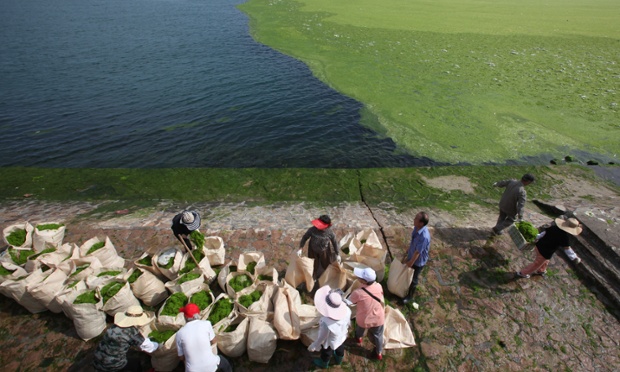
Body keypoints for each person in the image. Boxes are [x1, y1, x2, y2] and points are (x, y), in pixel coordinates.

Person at [92, 306, 159, 372]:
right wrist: (159, 344)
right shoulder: (132, 333)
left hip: (97, 359)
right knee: (135, 363)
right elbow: (149, 347)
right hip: (112, 365)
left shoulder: (114, 327)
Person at [516, 217, 583, 278]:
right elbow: (567, 249)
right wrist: (574, 257)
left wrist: (537, 237)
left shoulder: (553, 227)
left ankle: (541, 270)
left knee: (546, 261)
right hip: (545, 252)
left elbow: (543, 234)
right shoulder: (564, 238)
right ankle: (523, 273)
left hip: (539, 245)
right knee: (536, 264)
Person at [176, 303, 232, 372]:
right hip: (211, 366)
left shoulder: (179, 334)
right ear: (198, 314)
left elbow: (181, 357)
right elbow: (214, 341)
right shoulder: (206, 324)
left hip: (192, 370)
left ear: (185, 316)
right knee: (225, 363)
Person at [308, 285, 351, 368]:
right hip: (342, 336)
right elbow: (347, 322)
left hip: (330, 341)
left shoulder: (326, 323)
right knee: (340, 347)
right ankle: (339, 359)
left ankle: (324, 363)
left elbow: (322, 337)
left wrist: (314, 346)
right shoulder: (347, 310)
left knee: (326, 352)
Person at [347, 267, 385, 360]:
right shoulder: (378, 286)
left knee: (360, 329)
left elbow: (347, 302)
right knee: (378, 336)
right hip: (378, 318)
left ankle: (358, 338)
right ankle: (379, 353)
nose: (358, 277)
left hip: (364, 319)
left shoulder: (358, 293)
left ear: (364, 281)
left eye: (359, 277)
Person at [297, 215, 341, 282]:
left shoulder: (330, 233)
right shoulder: (312, 230)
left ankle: (327, 276)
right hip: (313, 250)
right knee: (313, 264)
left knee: (326, 264)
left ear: (327, 226)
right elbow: (305, 237)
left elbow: (335, 243)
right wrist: (300, 248)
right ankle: (314, 276)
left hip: (324, 251)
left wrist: (338, 254)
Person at [403, 211, 431, 305]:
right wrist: (408, 250)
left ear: (421, 223)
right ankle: (404, 288)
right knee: (408, 274)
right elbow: (413, 241)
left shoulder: (424, 237)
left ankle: (410, 297)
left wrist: (411, 262)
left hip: (418, 261)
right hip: (412, 254)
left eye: (416, 219)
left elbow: (418, 252)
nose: (414, 220)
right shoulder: (416, 228)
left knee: (414, 278)